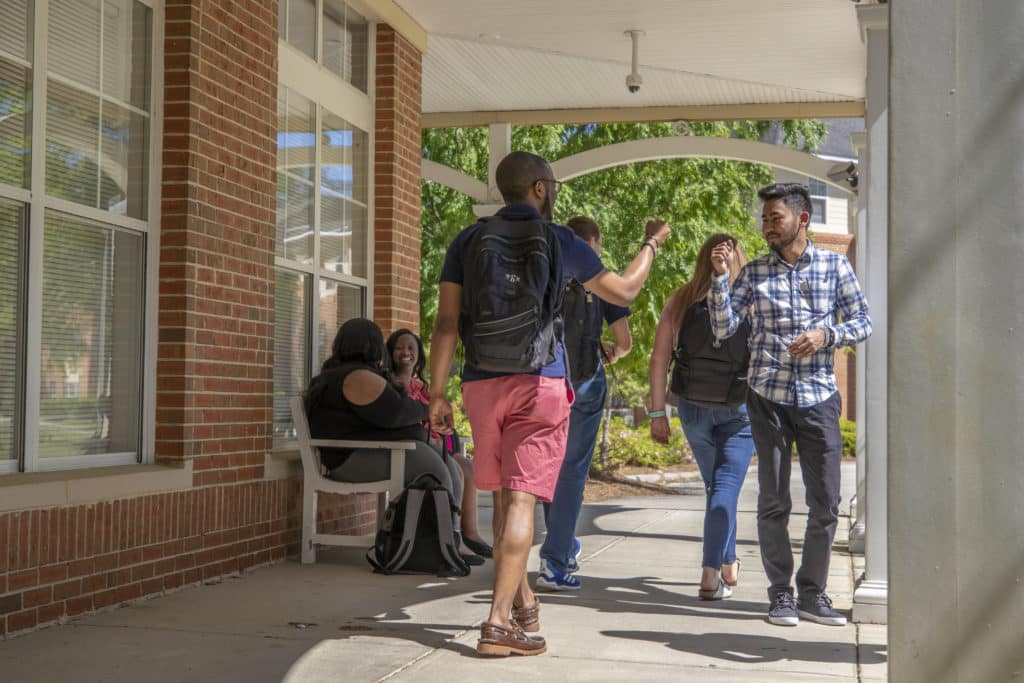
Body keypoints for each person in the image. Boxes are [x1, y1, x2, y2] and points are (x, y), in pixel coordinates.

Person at [428, 151, 670, 657]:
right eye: (552, 184)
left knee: (500, 497)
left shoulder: (467, 240)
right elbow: (624, 290)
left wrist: (436, 390)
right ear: (539, 189)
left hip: (480, 383)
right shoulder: (561, 240)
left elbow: (446, 323)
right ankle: (496, 623)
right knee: (521, 501)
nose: (555, 190)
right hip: (540, 381)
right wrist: (650, 244)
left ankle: (521, 602)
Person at [708, 183, 871, 627]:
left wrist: (826, 336)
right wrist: (720, 278)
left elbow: (863, 321)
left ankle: (812, 594)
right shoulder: (754, 273)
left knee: (826, 502)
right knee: (774, 500)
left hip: (819, 397)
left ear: (802, 219)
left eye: (773, 219)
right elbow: (722, 329)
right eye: (763, 220)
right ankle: (780, 593)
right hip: (769, 398)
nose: (766, 228)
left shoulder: (835, 267)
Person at [304, 318, 467, 557]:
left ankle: (451, 536)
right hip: (348, 461)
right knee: (433, 468)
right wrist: (426, 410)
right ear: (371, 345)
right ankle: (443, 547)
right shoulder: (356, 377)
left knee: (447, 464)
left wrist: (421, 430)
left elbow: (382, 418)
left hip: (362, 453)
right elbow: (396, 414)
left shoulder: (351, 374)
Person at [649, 233, 754, 601]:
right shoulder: (751, 299)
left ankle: (727, 562)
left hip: (692, 408)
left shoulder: (680, 299)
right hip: (739, 409)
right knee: (725, 488)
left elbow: (660, 359)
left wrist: (658, 411)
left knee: (718, 488)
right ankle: (710, 575)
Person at [537, 216, 632, 591]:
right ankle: (556, 560)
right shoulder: (601, 279)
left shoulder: (548, 271)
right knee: (573, 470)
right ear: (595, 242)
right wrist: (611, 353)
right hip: (587, 380)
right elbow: (624, 343)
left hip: (547, 378)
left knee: (550, 467)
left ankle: (561, 540)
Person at [386, 328, 493, 561]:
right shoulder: (391, 385)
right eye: (399, 347)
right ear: (390, 353)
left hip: (435, 447)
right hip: (416, 450)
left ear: (418, 355)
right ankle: (453, 540)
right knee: (458, 469)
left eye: (411, 348)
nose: (405, 352)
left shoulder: (421, 388)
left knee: (467, 466)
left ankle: (470, 535)